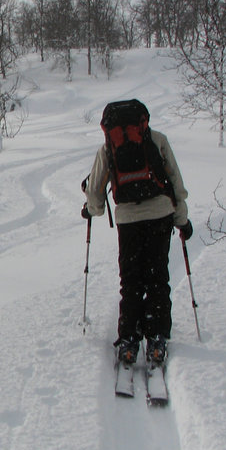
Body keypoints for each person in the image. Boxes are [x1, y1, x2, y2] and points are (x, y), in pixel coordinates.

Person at [81, 100, 191, 367]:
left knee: (130, 280)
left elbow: (95, 190)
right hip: (161, 216)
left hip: (128, 221)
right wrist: (182, 220)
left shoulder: (108, 148)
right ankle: (156, 337)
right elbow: (175, 182)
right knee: (157, 275)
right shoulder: (158, 140)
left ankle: (129, 339)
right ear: (144, 121)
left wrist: (91, 210)